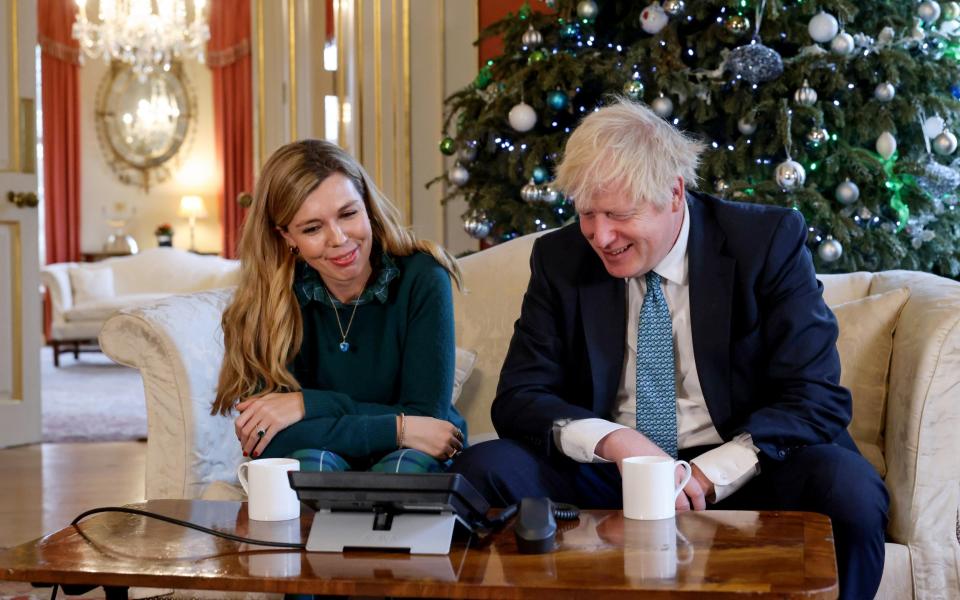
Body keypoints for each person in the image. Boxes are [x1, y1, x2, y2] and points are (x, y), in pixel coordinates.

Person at [449, 99, 888, 599]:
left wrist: (707, 473)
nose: (600, 235)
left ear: (674, 193)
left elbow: (814, 397)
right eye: (587, 213)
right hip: (611, 471)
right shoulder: (561, 257)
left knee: (849, 489)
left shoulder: (764, 241)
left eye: (618, 214)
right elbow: (521, 396)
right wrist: (616, 443)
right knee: (481, 471)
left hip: (745, 465)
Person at [213, 139, 466, 474]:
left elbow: (429, 424)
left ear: (367, 206)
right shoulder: (264, 301)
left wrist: (306, 405)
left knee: (403, 473)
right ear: (286, 236)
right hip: (336, 454)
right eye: (312, 228)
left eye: (348, 214)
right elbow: (265, 439)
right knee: (306, 468)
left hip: (411, 459)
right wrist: (398, 427)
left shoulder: (423, 277)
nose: (338, 239)